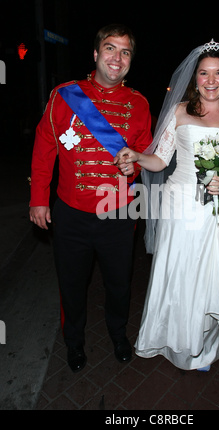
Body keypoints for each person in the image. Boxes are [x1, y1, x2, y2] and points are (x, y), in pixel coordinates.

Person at [114, 40, 219, 371]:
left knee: (215, 278)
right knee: (182, 277)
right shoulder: (179, 111)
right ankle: (179, 340)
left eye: (218, 73)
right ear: (194, 77)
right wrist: (139, 157)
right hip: (181, 207)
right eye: (204, 73)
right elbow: (160, 160)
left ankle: (206, 343)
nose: (211, 81)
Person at [29, 24, 152, 372]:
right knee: (72, 284)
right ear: (96, 55)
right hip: (71, 213)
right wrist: (39, 198)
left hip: (118, 212)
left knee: (118, 283)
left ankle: (118, 334)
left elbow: (144, 151)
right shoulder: (66, 95)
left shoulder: (139, 104)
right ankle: (75, 342)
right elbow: (44, 149)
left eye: (125, 52)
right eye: (111, 49)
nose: (118, 58)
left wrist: (135, 168)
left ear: (130, 61)